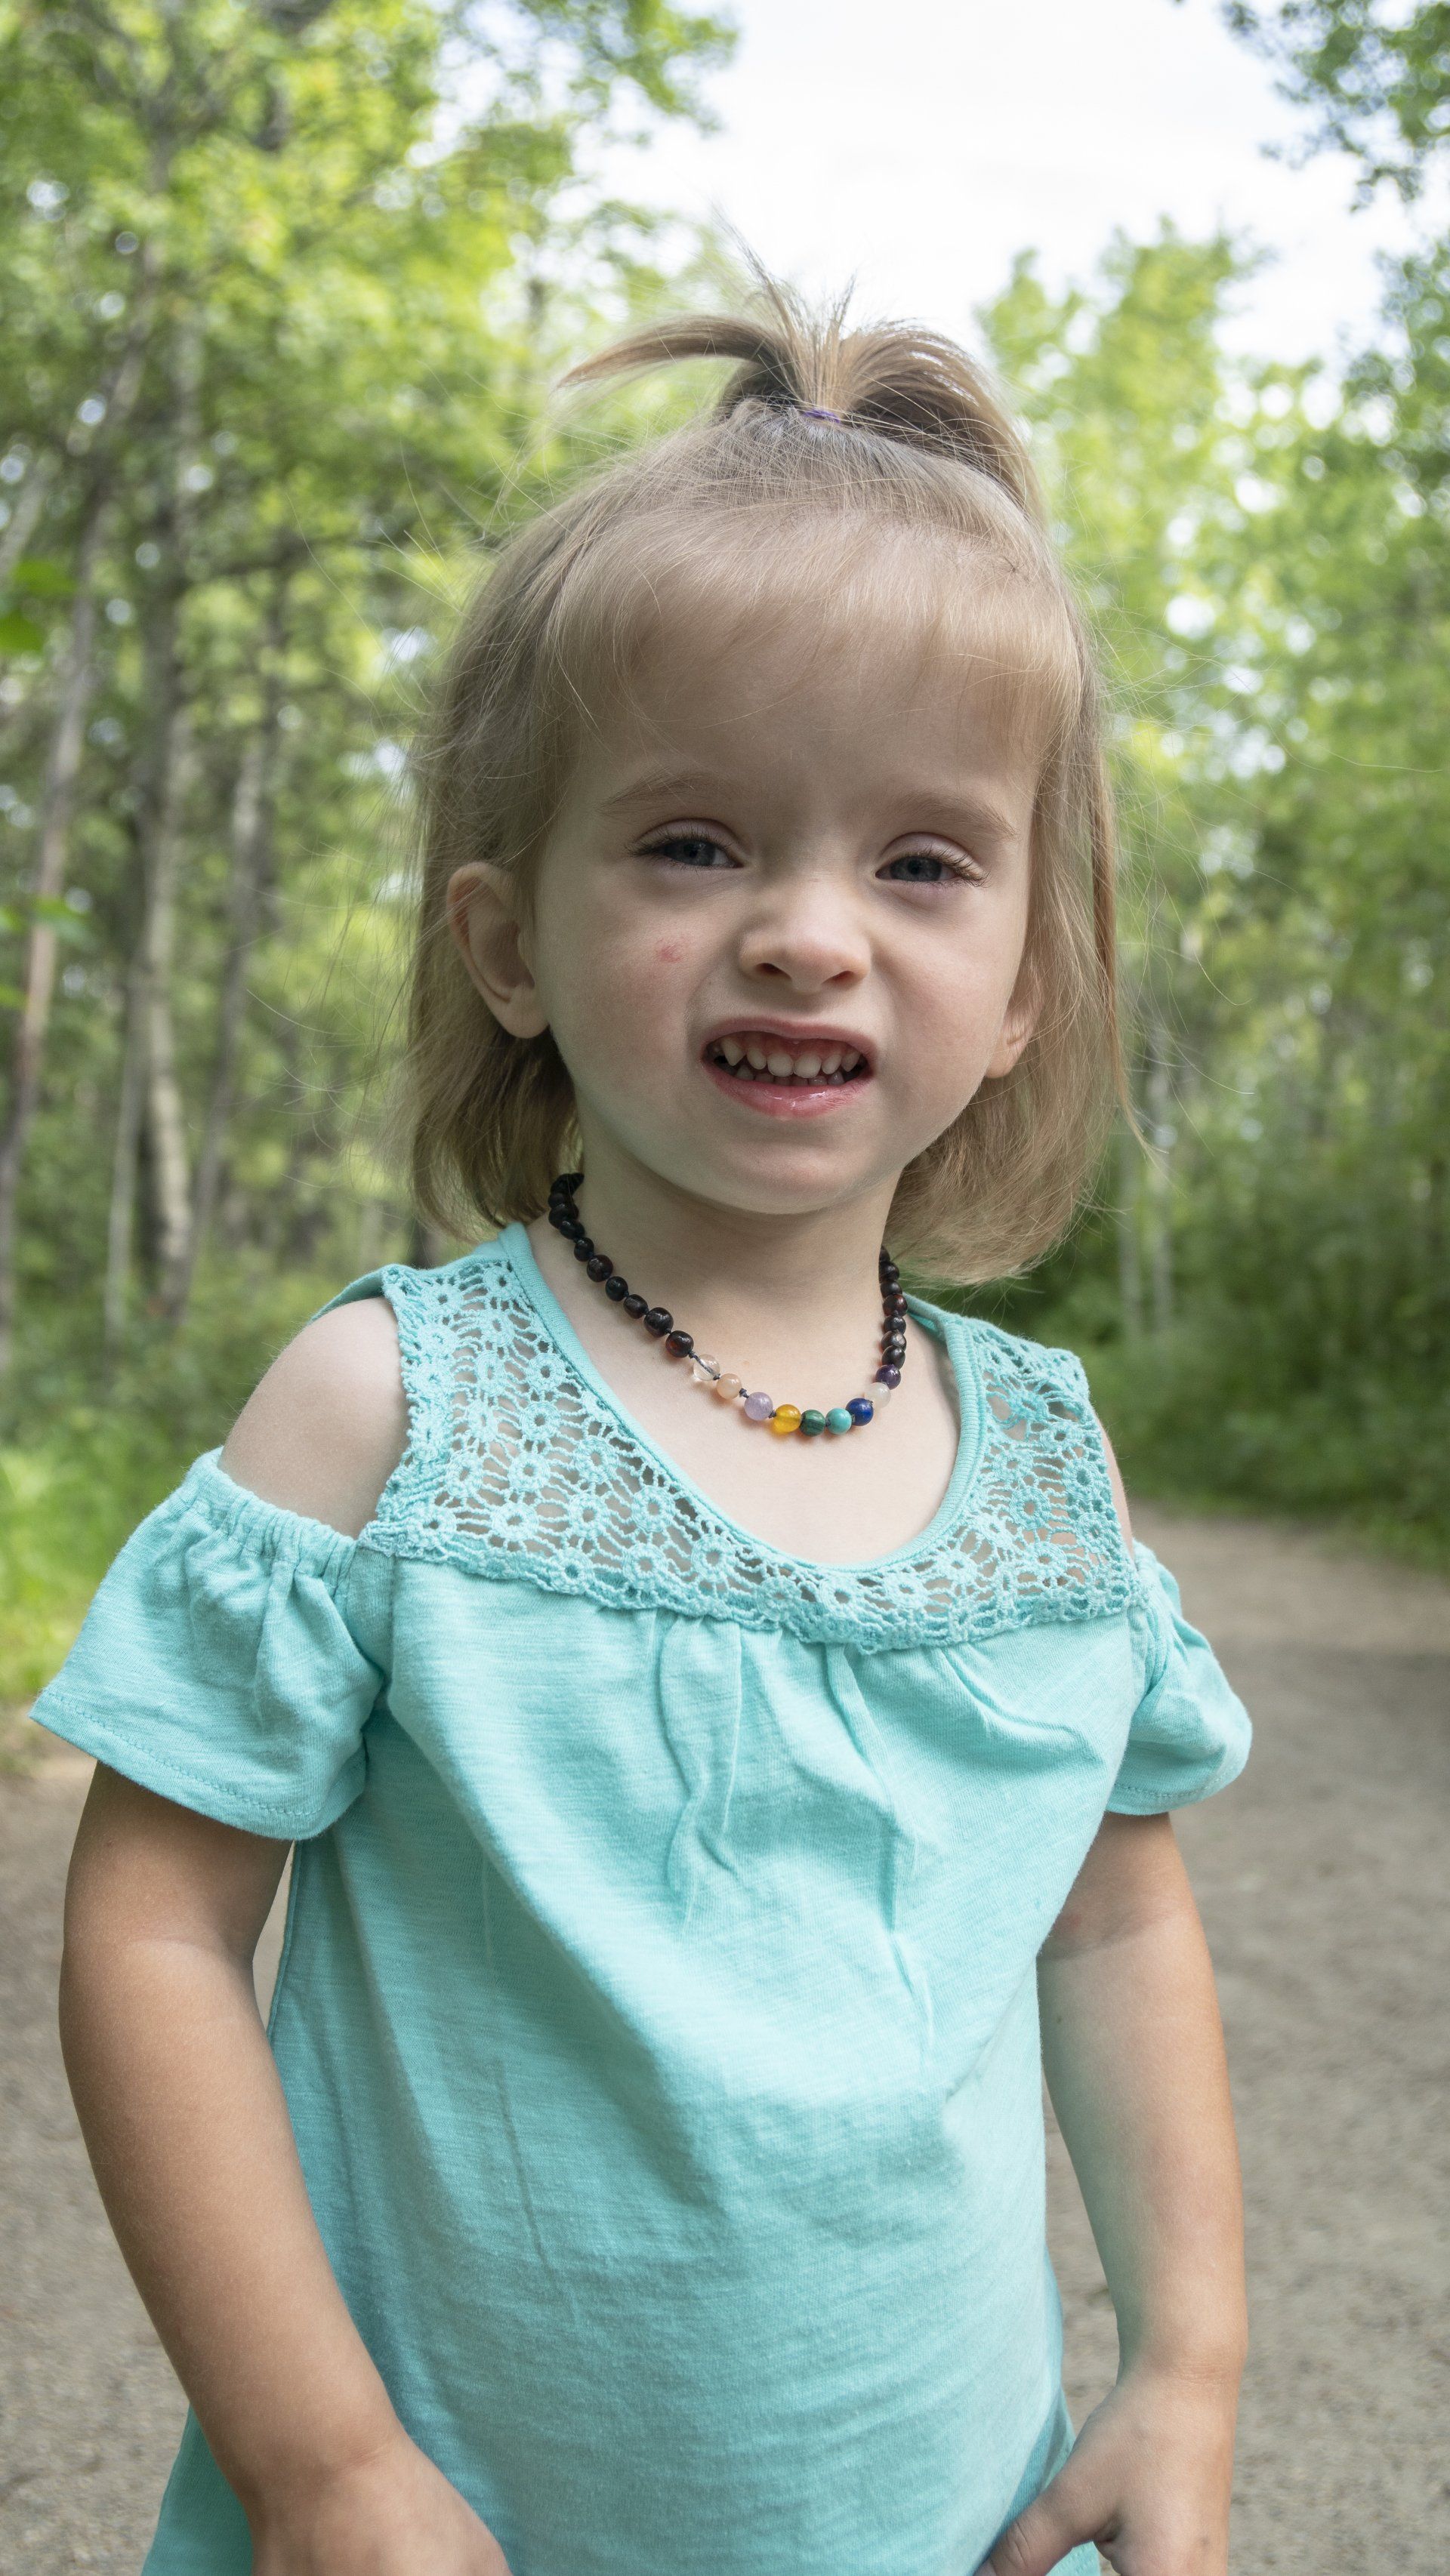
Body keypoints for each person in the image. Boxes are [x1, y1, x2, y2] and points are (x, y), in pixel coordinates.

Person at [38, 276, 1252, 2576]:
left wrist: (1186, 2361)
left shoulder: (1048, 1467)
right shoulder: (390, 1411)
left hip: (943, 2514)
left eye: (920, 861)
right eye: (695, 843)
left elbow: (1112, 1926)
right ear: (510, 940)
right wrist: (319, 2463)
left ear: (1024, 982)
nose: (808, 932)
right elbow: (157, 1932)